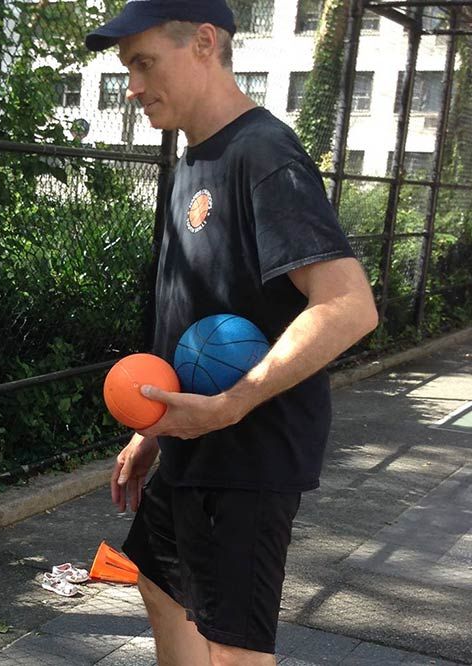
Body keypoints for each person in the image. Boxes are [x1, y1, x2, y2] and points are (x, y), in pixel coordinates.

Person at [85, 1, 379, 665]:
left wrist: (232, 403)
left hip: (248, 458)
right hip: (196, 444)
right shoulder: (196, 159)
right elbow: (201, 313)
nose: (131, 85)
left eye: (143, 63)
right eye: (127, 67)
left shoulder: (263, 154)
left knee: (233, 651)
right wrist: (152, 432)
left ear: (205, 43)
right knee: (157, 581)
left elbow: (349, 305)